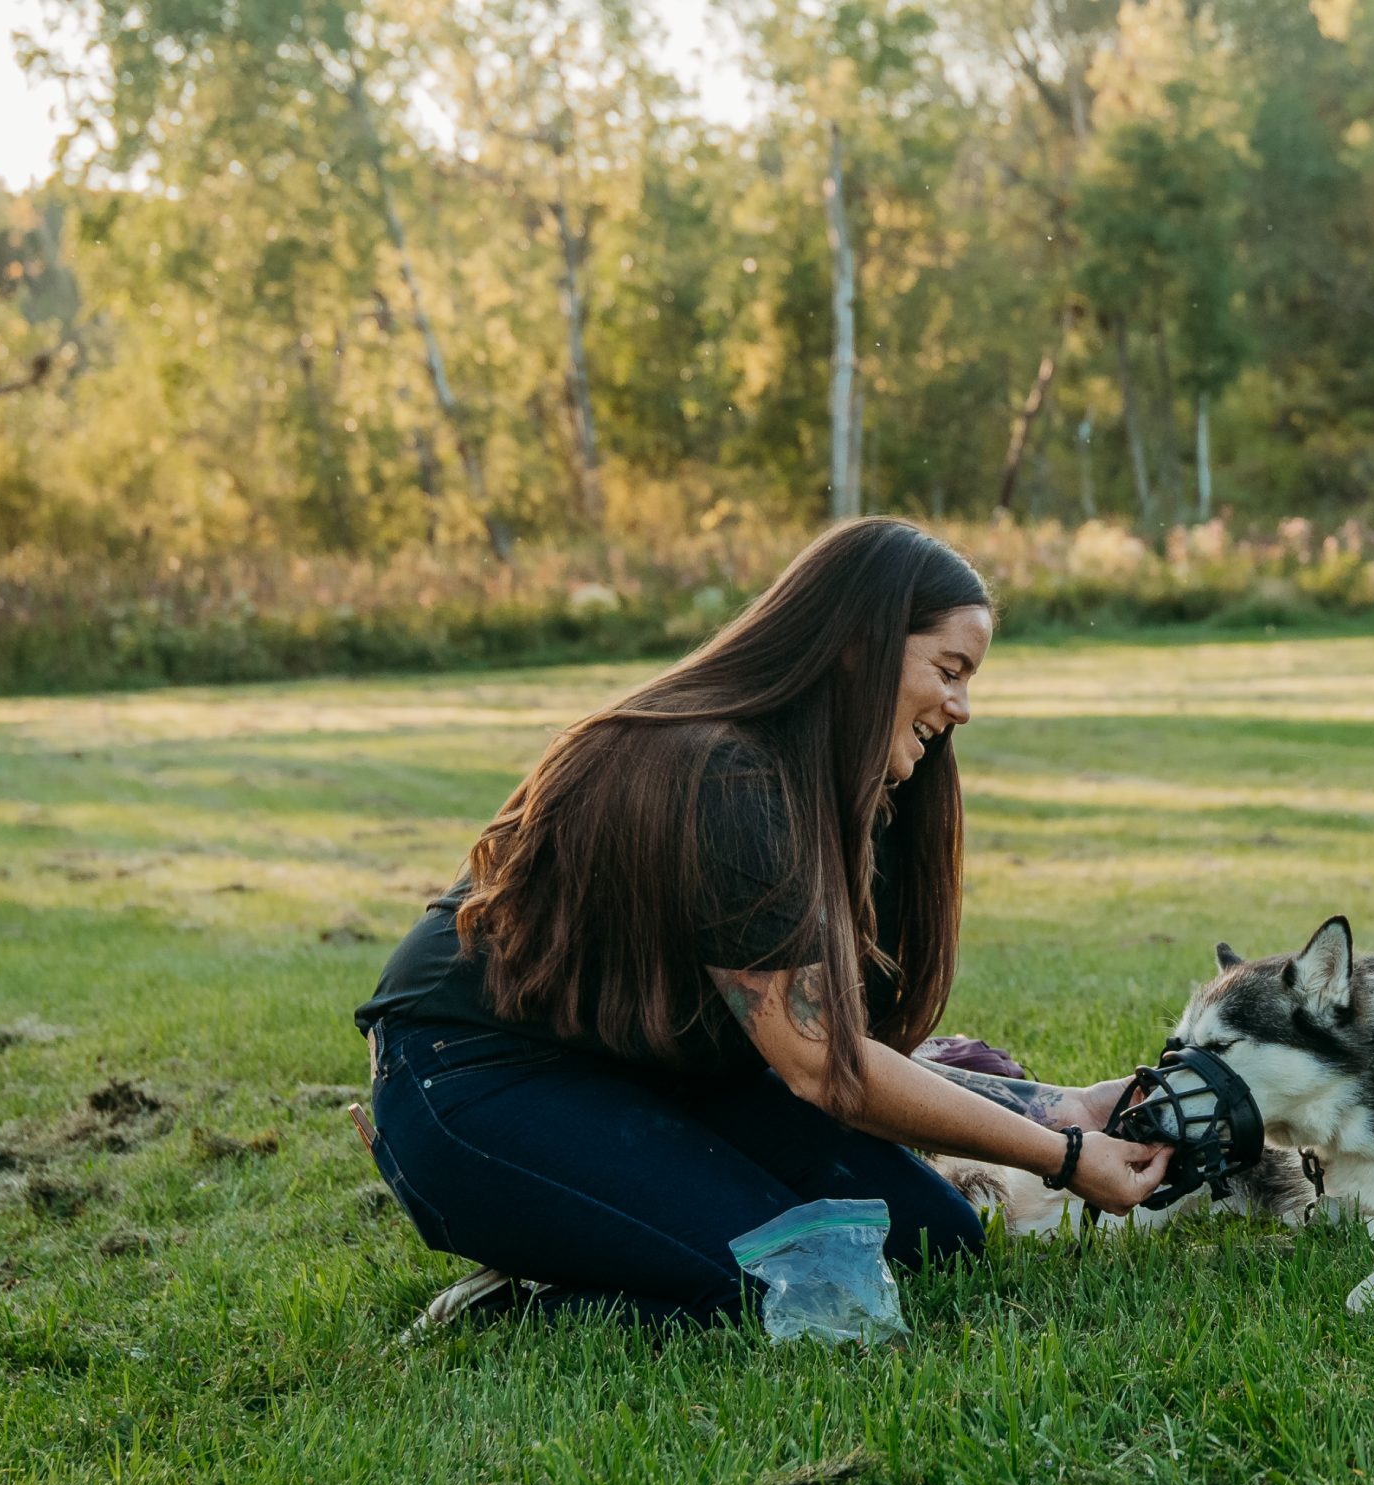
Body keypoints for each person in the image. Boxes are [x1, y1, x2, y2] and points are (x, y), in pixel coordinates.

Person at [355, 518, 1167, 1328]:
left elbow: (835, 1041)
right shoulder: (727, 777)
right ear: (860, 643)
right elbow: (822, 1066)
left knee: (936, 1242)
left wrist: (1055, 1105)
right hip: (470, 1078)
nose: (961, 707)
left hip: (646, 1072)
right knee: (809, 1296)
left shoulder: (819, 784)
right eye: (950, 670)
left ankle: (609, 1232)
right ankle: (530, 1293)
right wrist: (1063, 1157)